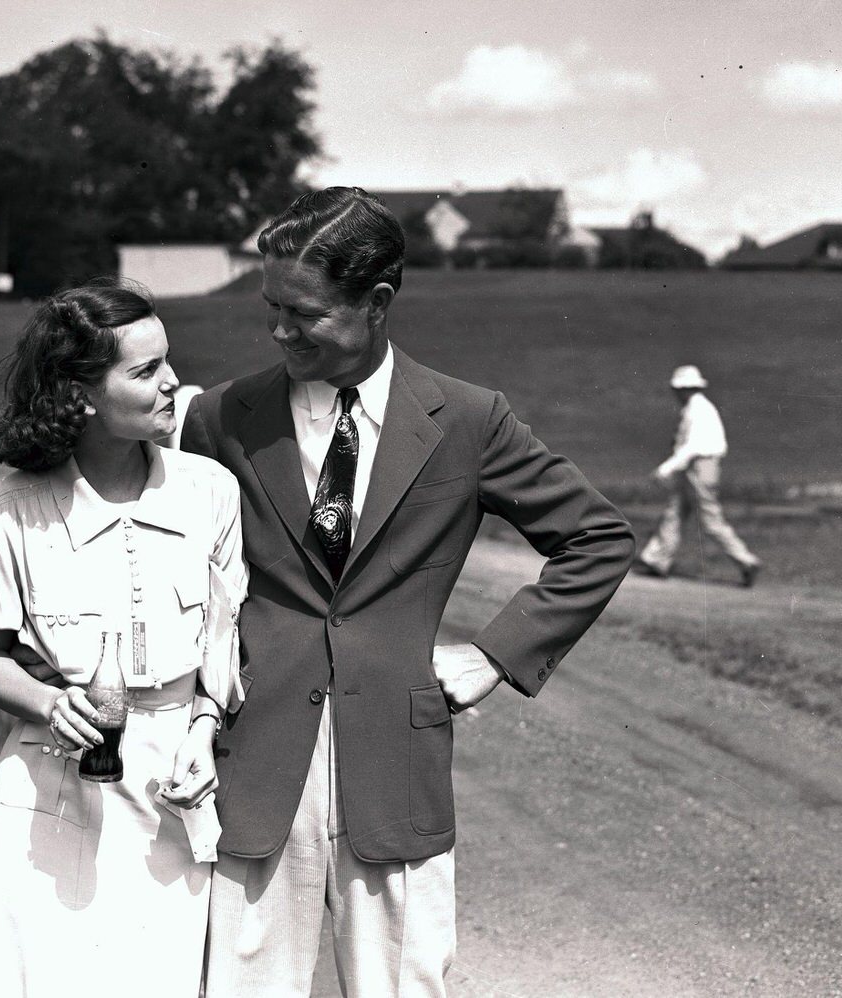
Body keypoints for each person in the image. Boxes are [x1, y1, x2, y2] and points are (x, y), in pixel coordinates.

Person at [179, 187, 636, 997]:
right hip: (252, 762)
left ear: (378, 302)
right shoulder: (220, 418)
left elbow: (597, 539)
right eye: (270, 307)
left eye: (306, 313)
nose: (280, 329)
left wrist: (496, 654)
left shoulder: (467, 419)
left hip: (396, 761)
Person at [0, 279, 247, 997]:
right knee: (51, 975)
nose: (172, 383)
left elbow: (222, 649)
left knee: (161, 977)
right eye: (143, 371)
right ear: (79, 392)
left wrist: (202, 729)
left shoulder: (209, 493)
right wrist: (47, 704)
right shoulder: (11, 509)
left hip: (177, 778)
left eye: (167, 361)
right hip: (56, 783)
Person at [634, 364, 762, 586]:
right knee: (675, 512)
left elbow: (692, 447)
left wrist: (667, 468)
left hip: (699, 468)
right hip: (697, 468)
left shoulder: (699, 411)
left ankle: (745, 560)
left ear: (685, 389)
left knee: (710, 519)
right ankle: (656, 559)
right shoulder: (698, 408)